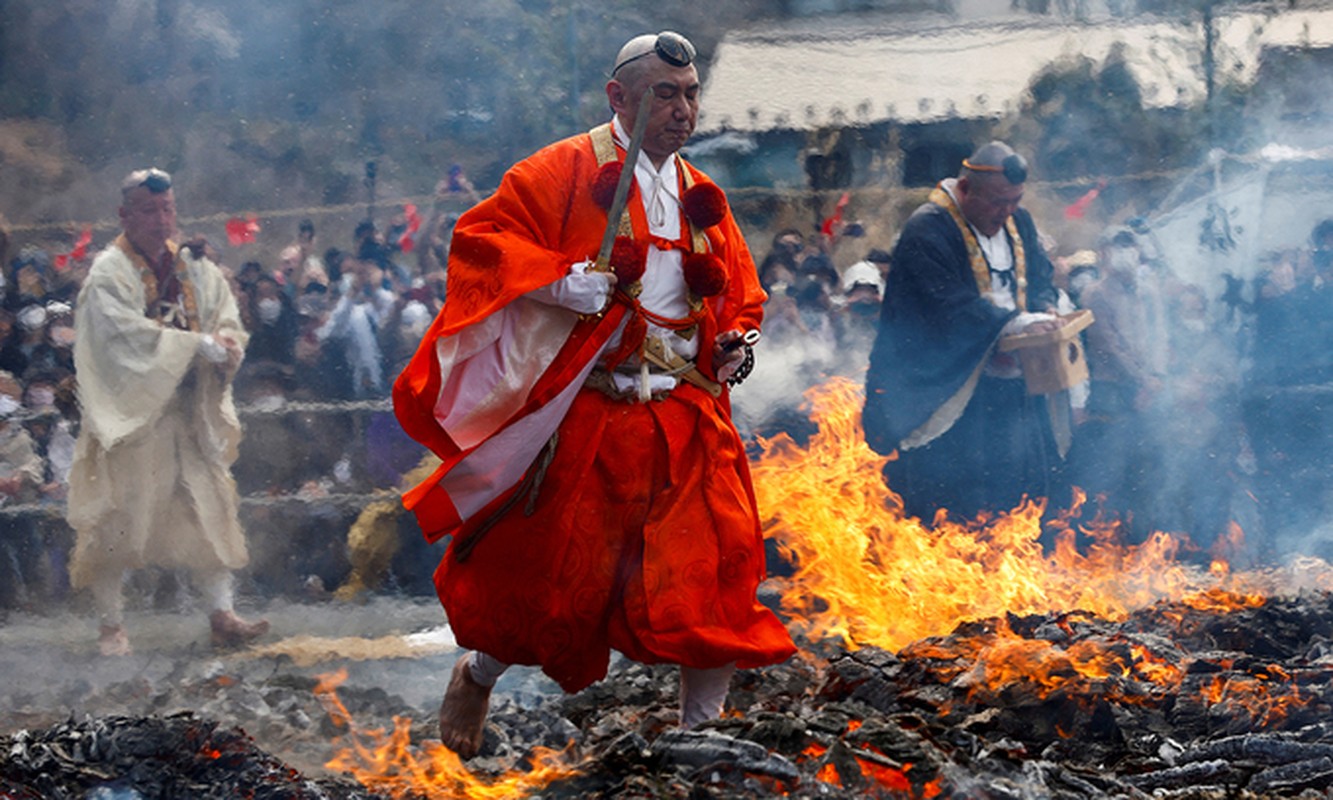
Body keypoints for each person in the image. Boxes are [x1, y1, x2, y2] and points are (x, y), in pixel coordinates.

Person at [393, 31, 796, 758]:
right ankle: (478, 671)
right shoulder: (560, 170)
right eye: (663, 95)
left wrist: (738, 345)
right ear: (619, 97)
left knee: (717, 574)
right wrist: (557, 280)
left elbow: (739, 297)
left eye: (690, 94)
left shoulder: (700, 193)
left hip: (687, 414)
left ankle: (698, 739)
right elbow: (479, 242)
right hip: (592, 417)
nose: (682, 110)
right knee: (554, 586)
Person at [65, 167, 269, 657]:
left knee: (210, 510)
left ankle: (222, 613)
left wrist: (224, 343)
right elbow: (118, 338)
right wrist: (192, 344)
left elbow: (225, 315)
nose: (161, 220)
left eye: (168, 209)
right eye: (150, 210)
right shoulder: (108, 272)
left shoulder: (194, 266)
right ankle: (112, 624)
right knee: (117, 519)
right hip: (133, 415)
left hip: (187, 412)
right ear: (126, 215)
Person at [863, 141, 1068, 521]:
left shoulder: (1017, 221)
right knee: (958, 493)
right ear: (964, 189)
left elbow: (1040, 273)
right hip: (952, 385)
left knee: (1017, 485)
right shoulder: (928, 229)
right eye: (996, 202)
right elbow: (946, 305)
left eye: (1014, 200)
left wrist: (1044, 308)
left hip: (1015, 382)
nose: (1005, 211)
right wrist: (1014, 323)